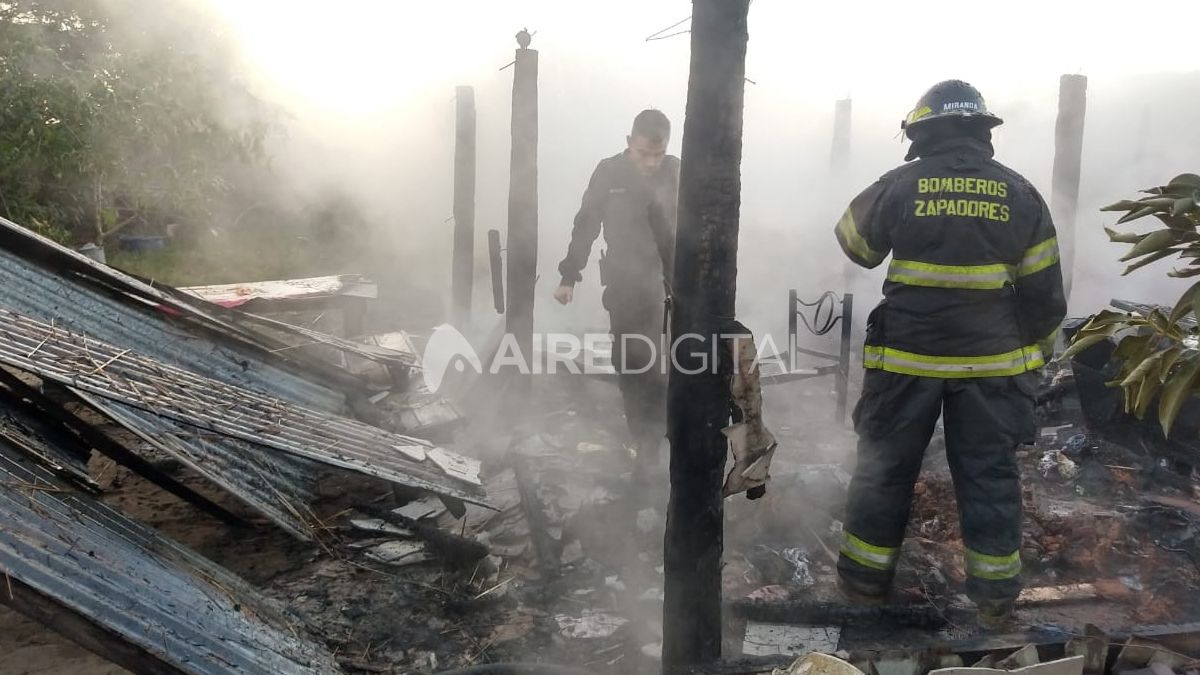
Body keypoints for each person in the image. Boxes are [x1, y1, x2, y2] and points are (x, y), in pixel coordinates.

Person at [832, 80, 1067, 628]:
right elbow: (1045, 295)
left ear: (921, 131)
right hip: (992, 368)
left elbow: (855, 245)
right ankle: (993, 601)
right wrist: (1032, 358)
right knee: (989, 477)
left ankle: (864, 587)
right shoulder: (1021, 193)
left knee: (884, 471)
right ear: (983, 132)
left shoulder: (902, 182)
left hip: (906, 363)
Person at [554, 109, 679, 471]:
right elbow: (586, 223)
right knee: (628, 363)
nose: (652, 163)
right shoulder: (609, 172)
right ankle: (641, 438)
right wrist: (568, 275)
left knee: (665, 363)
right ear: (629, 143)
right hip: (624, 284)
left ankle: (659, 441)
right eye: (644, 154)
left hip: (667, 285)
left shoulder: (675, 171)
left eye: (658, 154)